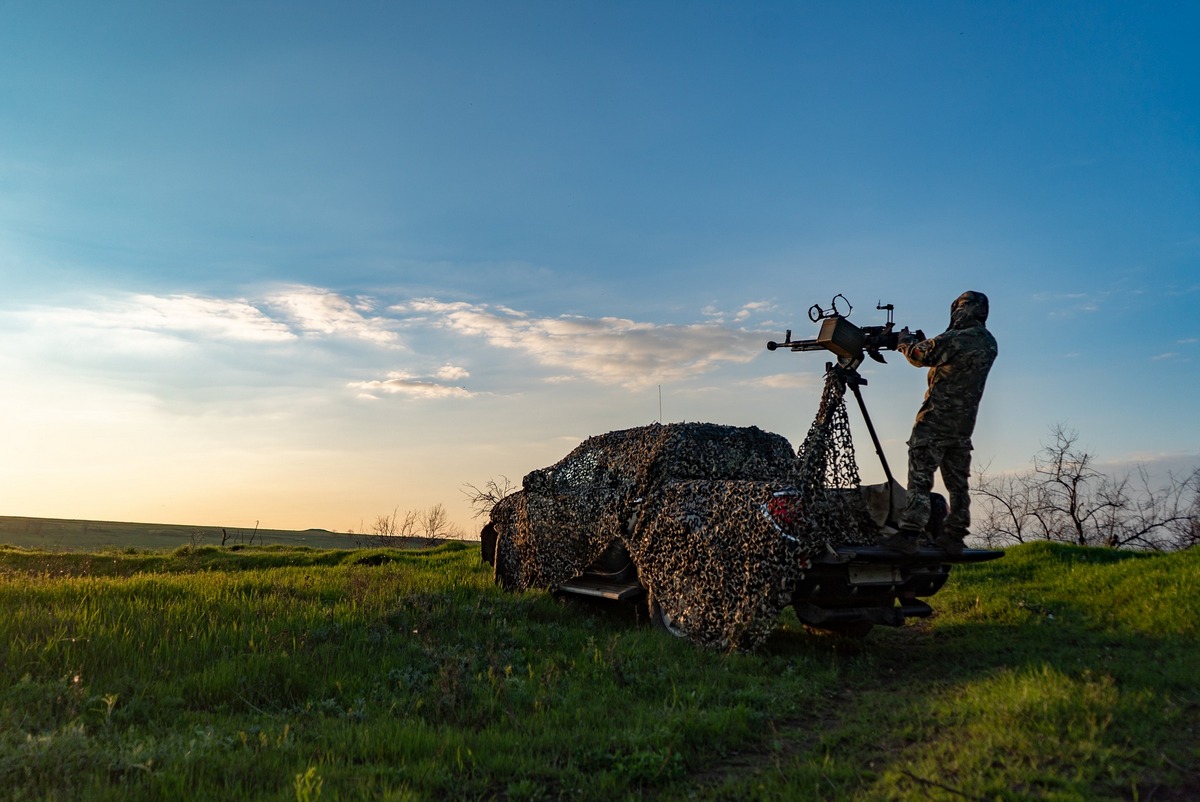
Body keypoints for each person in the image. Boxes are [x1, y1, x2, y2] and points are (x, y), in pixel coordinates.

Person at [879, 291, 998, 555]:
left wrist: (905, 342)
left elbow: (919, 356)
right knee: (958, 484)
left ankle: (910, 534)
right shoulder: (988, 342)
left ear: (961, 310)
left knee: (920, 479)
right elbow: (944, 356)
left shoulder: (956, 338)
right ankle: (955, 536)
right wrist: (926, 344)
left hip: (934, 421)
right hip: (963, 426)